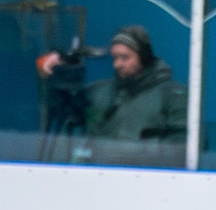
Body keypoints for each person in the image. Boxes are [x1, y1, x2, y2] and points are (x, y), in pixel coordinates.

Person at [38, 25, 187, 151]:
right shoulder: (98, 92)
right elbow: (65, 115)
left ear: (144, 58)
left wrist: (134, 153)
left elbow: (182, 147)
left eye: (125, 57)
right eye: (115, 57)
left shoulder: (173, 95)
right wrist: (59, 73)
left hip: (146, 174)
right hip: (98, 172)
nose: (117, 64)